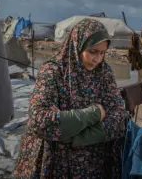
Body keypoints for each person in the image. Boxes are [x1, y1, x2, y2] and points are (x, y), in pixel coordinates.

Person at [12, 18, 127, 178]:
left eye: (102, 53)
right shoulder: (52, 71)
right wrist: (93, 114)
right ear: (77, 45)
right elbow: (39, 120)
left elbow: (119, 115)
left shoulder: (103, 72)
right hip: (55, 161)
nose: (97, 59)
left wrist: (80, 137)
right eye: (93, 51)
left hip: (93, 162)